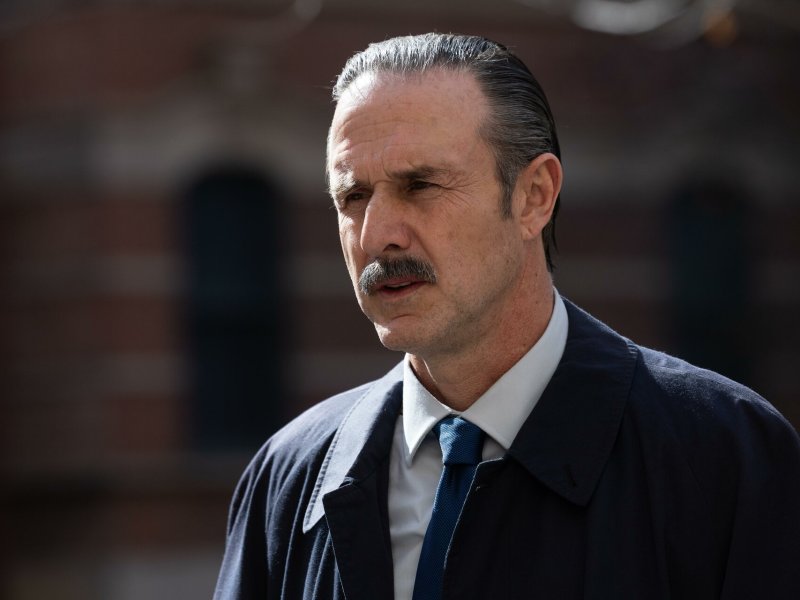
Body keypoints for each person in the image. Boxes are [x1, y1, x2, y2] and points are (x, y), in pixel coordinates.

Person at [213, 33, 800, 600]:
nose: (376, 236)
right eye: (353, 197)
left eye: (421, 185)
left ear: (534, 196)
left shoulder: (727, 457)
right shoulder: (289, 477)